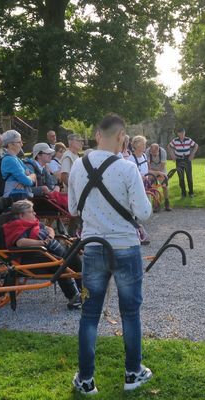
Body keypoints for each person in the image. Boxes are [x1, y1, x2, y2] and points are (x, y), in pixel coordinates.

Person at [68, 113, 153, 394]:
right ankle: (132, 372)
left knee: (89, 315)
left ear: (96, 135)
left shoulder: (78, 166)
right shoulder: (128, 169)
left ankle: (86, 379)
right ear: (121, 137)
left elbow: (71, 210)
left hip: (92, 247)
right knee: (130, 313)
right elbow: (143, 212)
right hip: (125, 247)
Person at [2, 200, 81, 309]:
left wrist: (49, 237)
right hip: (34, 258)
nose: (34, 213)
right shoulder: (17, 226)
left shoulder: (32, 223)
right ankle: (74, 298)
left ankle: (83, 290)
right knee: (59, 265)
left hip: (50, 251)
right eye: (31, 211)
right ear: (21, 215)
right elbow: (20, 242)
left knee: (74, 257)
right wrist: (40, 243)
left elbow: (49, 228)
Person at [0, 130, 37, 200]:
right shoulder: (9, 160)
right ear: (10, 145)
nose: (22, 144)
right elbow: (27, 181)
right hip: (13, 197)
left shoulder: (16, 158)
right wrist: (27, 179)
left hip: (18, 195)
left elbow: (33, 174)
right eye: (19, 142)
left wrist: (23, 182)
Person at [167, 128, 198, 198]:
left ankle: (191, 193)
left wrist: (192, 155)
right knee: (181, 177)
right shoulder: (175, 141)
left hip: (187, 159)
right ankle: (183, 193)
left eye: (183, 133)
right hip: (179, 160)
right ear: (178, 134)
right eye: (180, 133)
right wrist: (172, 155)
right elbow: (168, 146)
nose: (182, 135)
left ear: (184, 133)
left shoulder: (188, 140)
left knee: (189, 177)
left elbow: (196, 146)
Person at [146, 143, 171, 211]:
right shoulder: (147, 152)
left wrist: (159, 173)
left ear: (158, 149)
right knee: (154, 187)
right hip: (152, 170)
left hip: (161, 169)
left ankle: (167, 203)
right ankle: (156, 204)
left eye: (155, 153)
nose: (153, 154)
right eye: (152, 152)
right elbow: (148, 165)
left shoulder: (163, 152)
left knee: (164, 186)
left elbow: (163, 165)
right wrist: (153, 174)